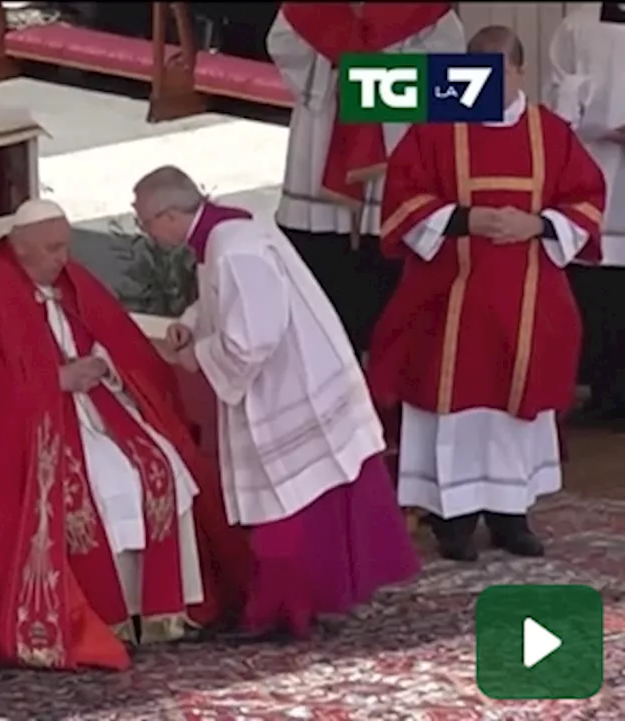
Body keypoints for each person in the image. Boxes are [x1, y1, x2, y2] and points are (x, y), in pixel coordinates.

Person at [0, 198, 253, 671]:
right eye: (52, 250)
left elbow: (119, 342)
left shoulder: (67, 281)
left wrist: (103, 366)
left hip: (98, 407)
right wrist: (57, 381)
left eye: (66, 246)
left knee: (161, 466)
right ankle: (105, 615)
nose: (63, 259)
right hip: (37, 427)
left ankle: (160, 611)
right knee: (100, 485)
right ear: (19, 251)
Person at [132, 166, 419, 640]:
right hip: (298, 377)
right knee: (304, 496)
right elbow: (227, 303)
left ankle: (283, 611)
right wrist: (193, 321)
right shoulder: (226, 232)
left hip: (288, 390)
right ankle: (302, 604)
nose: (146, 231)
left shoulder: (234, 250)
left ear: (168, 215)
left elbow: (252, 339)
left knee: (288, 502)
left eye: (145, 221)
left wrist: (195, 357)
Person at [370, 26, 607, 562]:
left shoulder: (550, 133)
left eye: (498, 73)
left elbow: (586, 197)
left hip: (528, 297)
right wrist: (468, 217)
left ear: (520, 72)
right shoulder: (437, 128)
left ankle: (510, 515)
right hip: (447, 298)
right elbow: (403, 199)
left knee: (512, 415)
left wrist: (536, 225)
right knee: (450, 409)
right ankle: (450, 518)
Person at [267, 3, 464, 355]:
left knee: (389, 275)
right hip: (327, 131)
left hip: (391, 134)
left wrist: (366, 79)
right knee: (324, 274)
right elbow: (282, 42)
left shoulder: (424, 8)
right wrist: (347, 71)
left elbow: (448, 68)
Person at [549, 5, 625, 424]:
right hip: (599, 169)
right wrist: (602, 125)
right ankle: (602, 391)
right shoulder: (576, 26)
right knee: (599, 293)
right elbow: (558, 93)